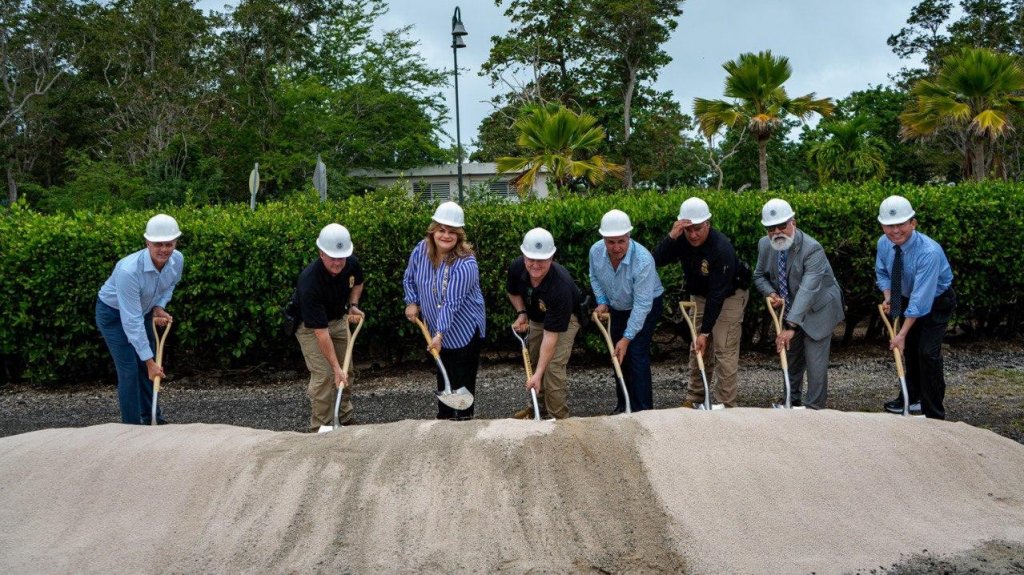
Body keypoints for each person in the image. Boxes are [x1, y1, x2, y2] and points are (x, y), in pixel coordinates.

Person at [653, 197, 750, 407]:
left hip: (729, 294)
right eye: (689, 230)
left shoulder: (722, 248)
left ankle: (725, 403)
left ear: (708, 224)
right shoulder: (681, 238)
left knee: (724, 348)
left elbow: (718, 294)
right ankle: (695, 397)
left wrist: (706, 332)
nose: (693, 235)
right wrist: (671, 237)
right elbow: (655, 261)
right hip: (699, 295)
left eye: (698, 229)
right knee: (697, 347)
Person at [753, 199, 844, 409]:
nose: (777, 232)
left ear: (793, 222)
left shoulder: (813, 249)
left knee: (815, 364)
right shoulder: (764, 245)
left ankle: (814, 409)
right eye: (770, 228)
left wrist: (791, 326)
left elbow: (808, 289)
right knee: (791, 358)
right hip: (792, 309)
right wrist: (772, 292)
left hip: (819, 309)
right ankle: (790, 403)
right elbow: (759, 276)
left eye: (782, 226)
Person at [96, 214, 183, 425]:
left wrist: (158, 307)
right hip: (113, 315)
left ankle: (153, 418)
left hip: (142, 311)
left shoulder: (177, 259)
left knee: (147, 367)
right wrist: (150, 362)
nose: (164, 249)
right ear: (147, 243)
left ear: (176, 242)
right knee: (130, 370)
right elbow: (131, 321)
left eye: (168, 244)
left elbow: (170, 284)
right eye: (157, 244)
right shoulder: (128, 270)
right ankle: (132, 428)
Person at [403, 202, 487, 421]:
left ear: (459, 235)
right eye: (441, 229)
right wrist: (411, 302)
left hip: (463, 330)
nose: (446, 235)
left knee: (462, 385)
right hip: (435, 329)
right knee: (443, 378)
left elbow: (451, 303)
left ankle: (464, 423)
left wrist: (439, 334)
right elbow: (409, 277)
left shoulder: (465, 263)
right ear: (433, 231)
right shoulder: (421, 250)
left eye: (452, 232)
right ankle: (445, 426)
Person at [875, 195, 955, 419]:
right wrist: (889, 295)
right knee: (910, 352)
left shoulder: (928, 252)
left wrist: (900, 334)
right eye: (889, 226)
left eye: (901, 224)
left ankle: (934, 411)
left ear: (913, 223)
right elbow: (882, 272)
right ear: (882, 225)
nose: (895, 231)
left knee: (927, 353)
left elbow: (921, 300)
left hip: (937, 301)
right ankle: (910, 399)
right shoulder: (884, 243)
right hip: (906, 297)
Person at [589, 209, 664, 413]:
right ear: (603, 238)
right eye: (610, 242)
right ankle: (623, 406)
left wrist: (627, 337)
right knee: (617, 354)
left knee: (636, 352)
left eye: (621, 241)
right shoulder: (595, 251)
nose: (616, 247)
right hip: (617, 305)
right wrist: (602, 301)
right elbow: (594, 276)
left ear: (629, 236)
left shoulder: (643, 260)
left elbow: (642, 305)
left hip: (646, 305)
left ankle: (643, 410)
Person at [292, 223, 365, 431]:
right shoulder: (309, 283)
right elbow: (321, 333)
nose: (338, 263)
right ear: (321, 253)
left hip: (337, 319)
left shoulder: (350, 263)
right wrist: (334, 368)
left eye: (341, 257)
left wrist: (353, 305)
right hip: (310, 327)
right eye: (332, 257)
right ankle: (321, 426)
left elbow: (358, 282)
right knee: (325, 375)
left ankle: (344, 416)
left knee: (346, 371)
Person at [508, 228, 582, 419]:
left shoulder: (560, 287)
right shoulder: (517, 267)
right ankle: (537, 411)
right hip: (537, 317)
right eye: (530, 258)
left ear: (551, 258)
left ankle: (559, 418)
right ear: (524, 256)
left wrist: (539, 374)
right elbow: (512, 291)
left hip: (565, 320)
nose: (535, 264)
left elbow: (551, 336)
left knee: (551, 368)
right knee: (533, 362)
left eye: (541, 259)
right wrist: (522, 313)